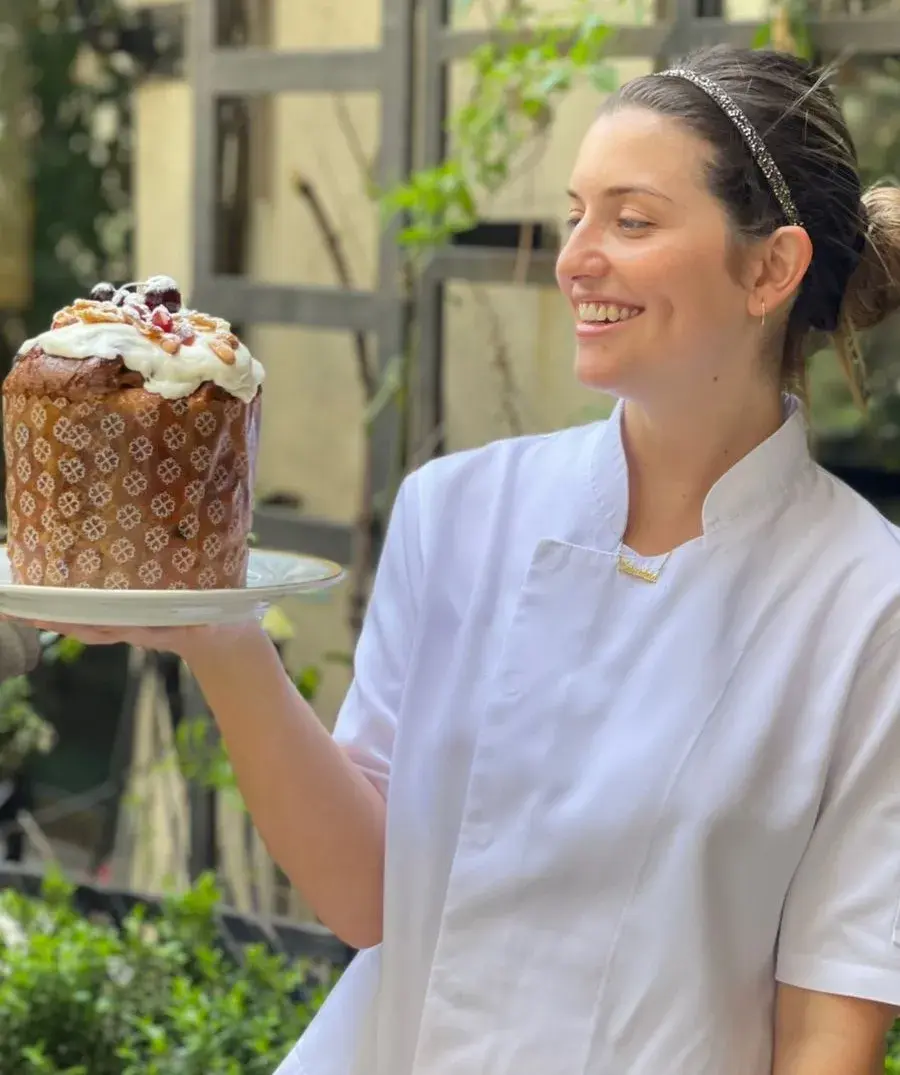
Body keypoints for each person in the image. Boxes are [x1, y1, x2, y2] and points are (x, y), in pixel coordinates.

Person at [17, 42, 900, 1075]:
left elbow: (828, 1029)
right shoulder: (458, 511)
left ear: (771, 269)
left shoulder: (864, 603)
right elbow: (362, 897)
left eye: (632, 219)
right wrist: (219, 632)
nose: (575, 256)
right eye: (576, 211)